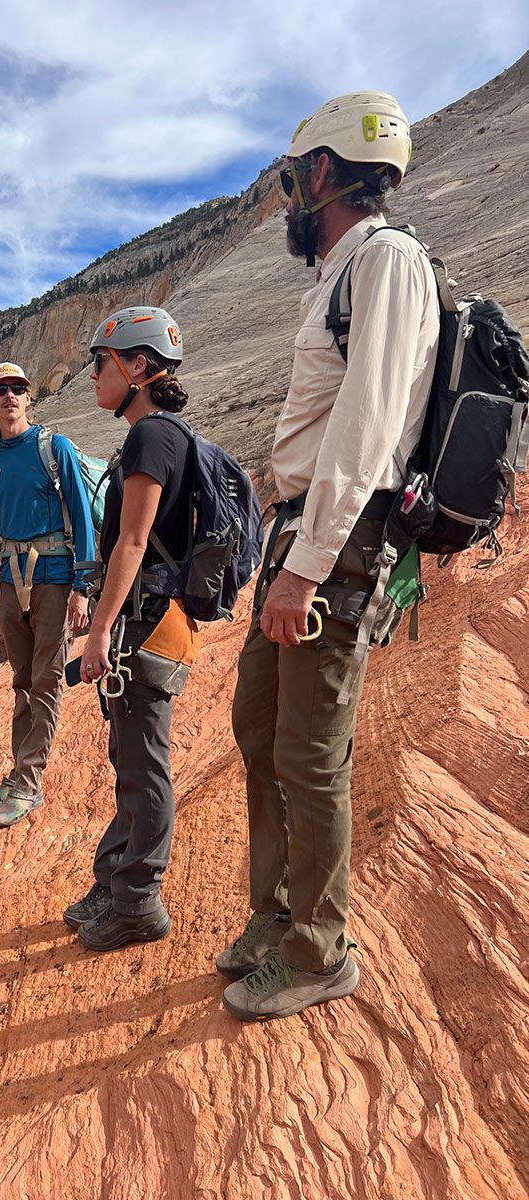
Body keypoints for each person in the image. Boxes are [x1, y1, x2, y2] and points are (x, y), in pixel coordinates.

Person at [220, 93, 440, 1020]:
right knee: (258, 725)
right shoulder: (343, 272)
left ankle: (319, 951)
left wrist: (306, 566)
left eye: (288, 183)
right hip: (306, 535)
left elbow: (367, 428)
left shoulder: (386, 261)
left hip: (337, 544)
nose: (284, 205)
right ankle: (278, 914)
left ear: (321, 172)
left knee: (311, 753)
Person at [64, 306, 198, 951]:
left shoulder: (152, 437)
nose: (93, 377)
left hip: (148, 625)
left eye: (100, 363)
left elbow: (134, 544)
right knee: (129, 759)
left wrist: (97, 633)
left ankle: (139, 902)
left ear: (137, 366)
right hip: (146, 622)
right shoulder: (154, 436)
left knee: (144, 766)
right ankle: (115, 881)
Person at [0, 361, 95, 828]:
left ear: (28, 396)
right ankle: (19, 771)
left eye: (18, 388)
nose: (9, 396)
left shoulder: (52, 448)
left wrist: (83, 587)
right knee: (22, 681)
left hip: (56, 581)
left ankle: (29, 783)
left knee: (46, 680)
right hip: (10, 583)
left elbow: (81, 518)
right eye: (0, 390)